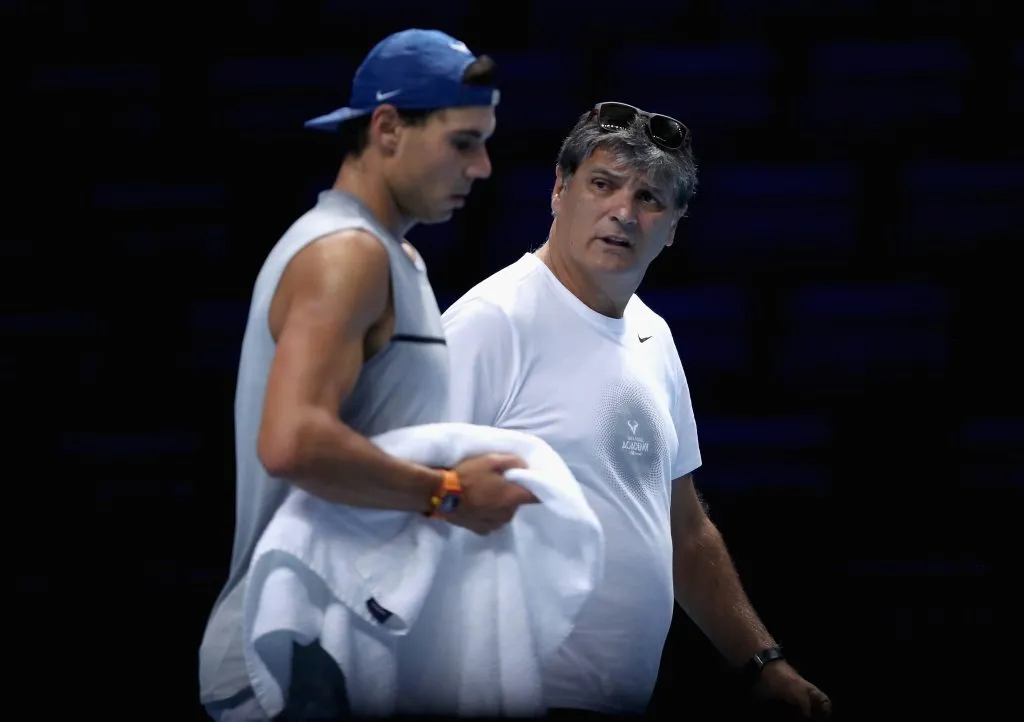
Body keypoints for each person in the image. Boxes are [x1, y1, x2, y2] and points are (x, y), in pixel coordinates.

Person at [442, 101, 832, 719]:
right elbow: (399, 492)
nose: (623, 211)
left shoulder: (655, 338)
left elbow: (686, 531)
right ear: (559, 191)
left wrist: (763, 661)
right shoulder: (490, 321)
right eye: (603, 184)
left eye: (650, 198)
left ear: (674, 226)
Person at [198, 29, 538, 721]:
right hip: (297, 649)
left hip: (347, 639)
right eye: (463, 142)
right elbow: (292, 441)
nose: (483, 168)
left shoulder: (393, 257)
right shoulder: (346, 255)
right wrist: (447, 493)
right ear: (387, 128)